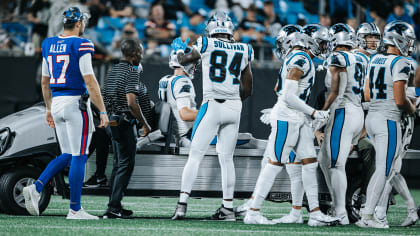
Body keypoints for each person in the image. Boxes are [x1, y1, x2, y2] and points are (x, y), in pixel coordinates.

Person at [243, 24, 336, 226]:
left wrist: (304, 113)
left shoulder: (298, 57)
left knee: (309, 163)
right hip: (288, 118)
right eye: (321, 42)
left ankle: (314, 213)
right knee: (274, 164)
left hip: (297, 118)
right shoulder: (301, 58)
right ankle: (253, 211)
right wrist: (313, 112)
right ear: (310, 41)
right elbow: (287, 95)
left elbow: (279, 88)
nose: (324, 47)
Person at [22, 6, 108, 220]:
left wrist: (49, 108)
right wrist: (103, 111)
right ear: (78, 23)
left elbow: (44, 81)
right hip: (75, 103)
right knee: (79, 156)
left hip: (58, 102)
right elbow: (90, 79)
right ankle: (75, 209)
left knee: (68, 154)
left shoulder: (48, 43)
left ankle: (37, 186)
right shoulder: (81, 43)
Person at [171, 11, 253, 221]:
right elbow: (248, 89)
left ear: (210, 29)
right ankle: (227, 208)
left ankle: (182, 205)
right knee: (227, 159)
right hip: (234, 107)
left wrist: (181, 50)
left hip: (212, 104)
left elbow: (184, 61)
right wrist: (232, 100)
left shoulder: (206, 43)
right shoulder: (244, 48)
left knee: (195, 156)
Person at [356, 21, 417, 229]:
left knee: (383, 169)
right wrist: (413, 110)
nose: (409, 45)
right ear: (398, 40)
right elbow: (400, 100)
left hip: (372, 116)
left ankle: (368, 214)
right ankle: (368, 215)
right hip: (389, 120)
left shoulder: (375, 59)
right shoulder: (400, 63)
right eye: (407, 41)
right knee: (385, 169)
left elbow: (367, 93)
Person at [316, 23, 366, 225]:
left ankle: (341, 213)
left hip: (343, 113)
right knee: (323, 158)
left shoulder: (338, 57)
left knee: (336, 165)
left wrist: (322, 112)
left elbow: (336, 92)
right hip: (356, 113)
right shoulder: (361, 58)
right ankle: (337, 206)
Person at [102, 38, 151, 219]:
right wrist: (145, 123)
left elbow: (102, 96)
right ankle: (113, 207)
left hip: (111, 122)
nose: (142, 55)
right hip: (123, 123)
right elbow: (132, 102)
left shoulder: (112, 70)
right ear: (135, 53)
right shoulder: (132, 72)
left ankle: (115, 204)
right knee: (125, 164)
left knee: (118, 164)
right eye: (141, 51)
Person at [157, 41, 200, 147]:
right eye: (193, 64)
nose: (194, 67)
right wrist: (209, 113)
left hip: (180, 137)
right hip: (189, 138)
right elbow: (185, 114)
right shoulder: (183, 81)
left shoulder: (165, 79)